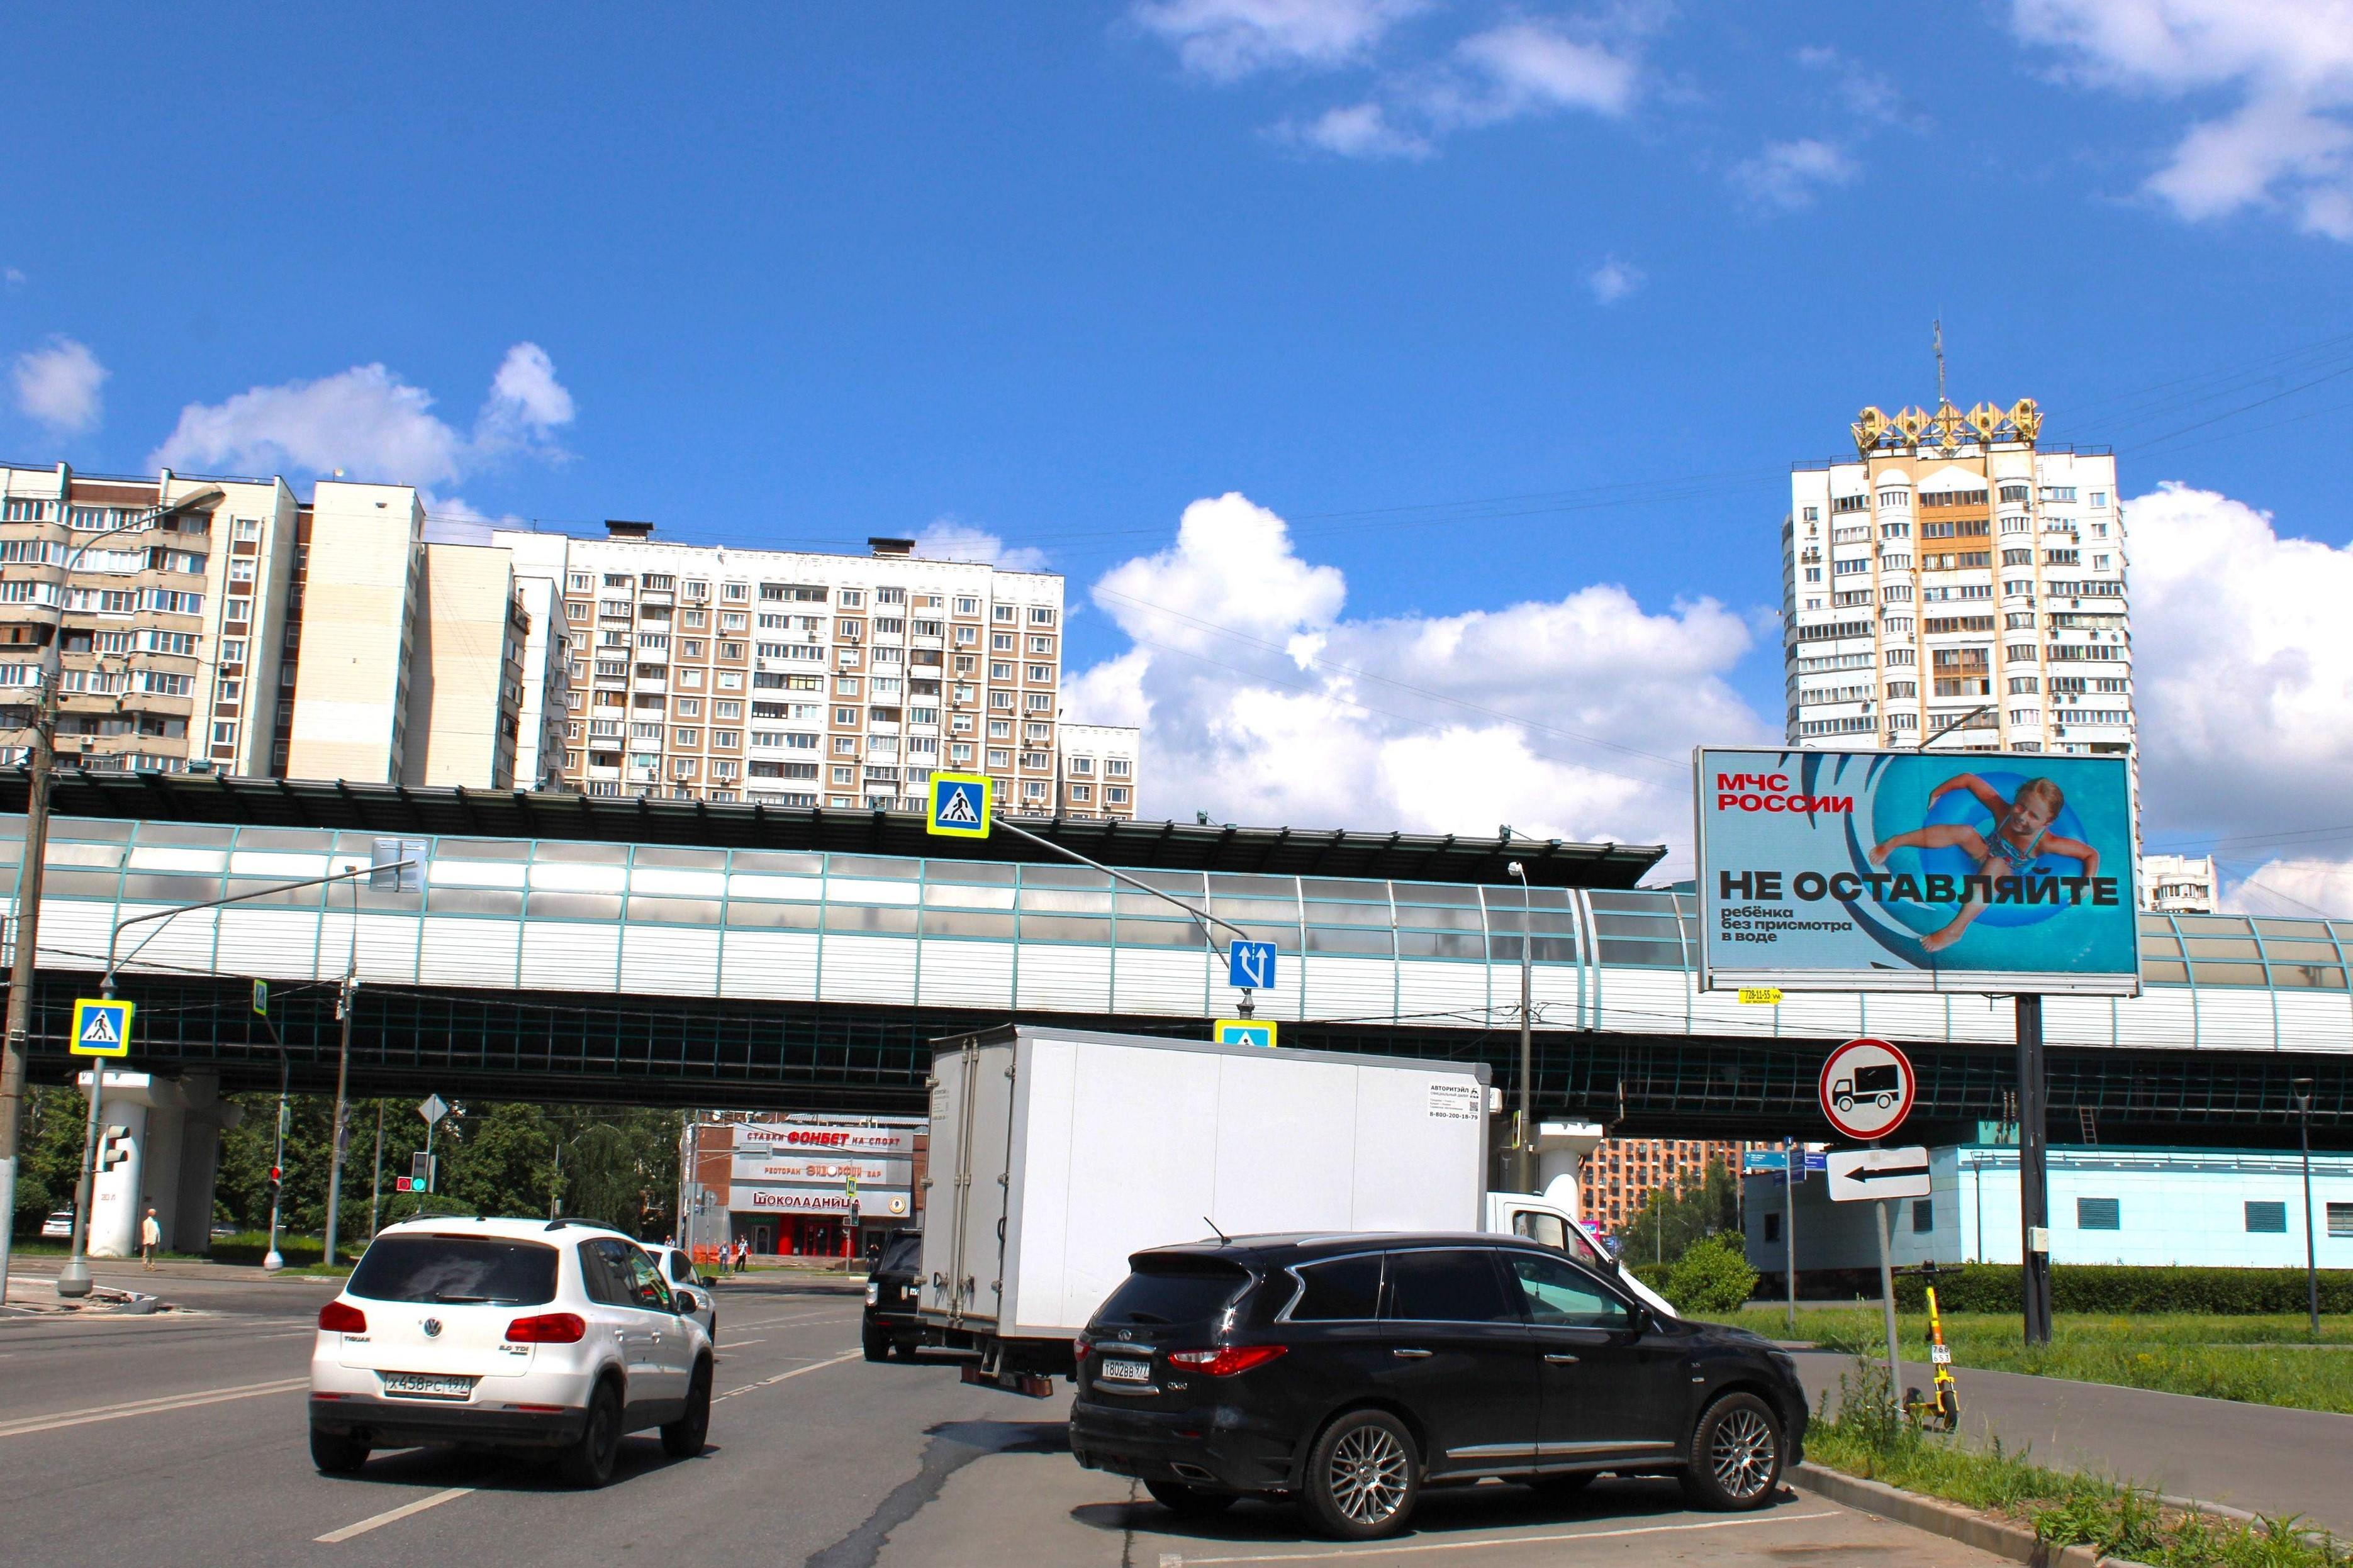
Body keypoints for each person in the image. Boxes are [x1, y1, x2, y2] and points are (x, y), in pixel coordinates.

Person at [1870, 773, 2099, 953]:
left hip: (2008, 877)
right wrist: (1937, 792)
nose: (2022, 817)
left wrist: (2087, 883)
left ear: (2047, 823)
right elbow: (1969, 780)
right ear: (2016, 800)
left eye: (2033, 816)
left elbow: (2091, 855)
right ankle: (1894, 843)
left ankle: (1956, 930)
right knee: (1965, 832)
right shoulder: (2003, 811)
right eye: (2021, 806)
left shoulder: (2046, 843)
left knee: (1997, 864)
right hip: (1983, 855)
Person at [139, 1206, 161, 1271]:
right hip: (149, 1240)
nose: (156, 1214)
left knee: (153, 1254)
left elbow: (157, 1231)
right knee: (146, 1254)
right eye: (154, 1213)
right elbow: (145, 1231)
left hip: (155, 1240)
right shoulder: (147, 1221)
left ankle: (152, 1266)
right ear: (150, 1213)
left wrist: (158, 1239)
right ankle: (145, 1266)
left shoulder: (155, 1221)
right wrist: (147, 1240)